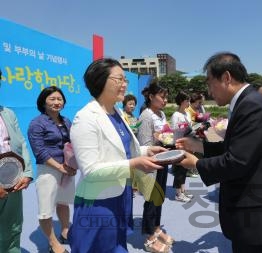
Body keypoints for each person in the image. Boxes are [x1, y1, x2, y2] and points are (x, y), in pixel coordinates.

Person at [176, 52, 262, 253]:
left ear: (226, 78)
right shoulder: (249, 102)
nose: (209, 90)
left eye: (209, 82)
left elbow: (237, 161)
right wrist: (200, 146)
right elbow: (239, 148)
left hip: (259, 220)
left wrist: (195, 164)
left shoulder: (251, 106)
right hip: (259, 215)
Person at [67, 58, 165, 253]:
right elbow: (92, 170)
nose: (124, 84)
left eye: (125, 79)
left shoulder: (117, 113)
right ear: (100, 81)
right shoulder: (85, 118)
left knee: (118, 246)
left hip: (121, 196)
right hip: (98, 202)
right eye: (119, 79)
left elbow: (122, 151)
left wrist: (146, 151)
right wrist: (134, 163)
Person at [28, 86, 75, 253]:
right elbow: (39, 151)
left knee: (63, 202)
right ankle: (53, 243)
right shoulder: (37, 123)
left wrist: (72, 165)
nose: (57, 102)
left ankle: (65, 231)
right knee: (45, 210)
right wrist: (59, 167)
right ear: (43, 102)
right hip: (48, 169)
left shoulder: (67, 121)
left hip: (67, 169)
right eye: (52, 99)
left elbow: (73, 143)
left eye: (59, 99)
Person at [137, 80, 174, 253]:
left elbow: (165, 135)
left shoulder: (161, 114)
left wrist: (168, 138)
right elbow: (144, 145)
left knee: (160, 198)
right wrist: (159, 139)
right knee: (151, 201)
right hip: (151, 164)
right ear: (151, 97)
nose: (165, 100)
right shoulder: (146, 116)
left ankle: (157, 228)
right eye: (162, 96)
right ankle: (149, 237)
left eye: (166, 97)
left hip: (163, 161)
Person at [0, 68, 33, 253]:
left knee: (13, 228)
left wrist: (27, 174)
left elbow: (21, 144)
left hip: (13, 180)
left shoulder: (8, 113)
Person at [170, 91, 193, 203]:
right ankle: (178, 193)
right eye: (187, 100)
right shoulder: (176, 115)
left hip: (187, 144)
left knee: (184, 169)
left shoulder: (187, 113)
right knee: (179, 170)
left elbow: (190, 126)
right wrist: (185, 126)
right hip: (178, 144)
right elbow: (173, 128)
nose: (188, 102)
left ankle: (183, 191)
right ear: (181, 101)